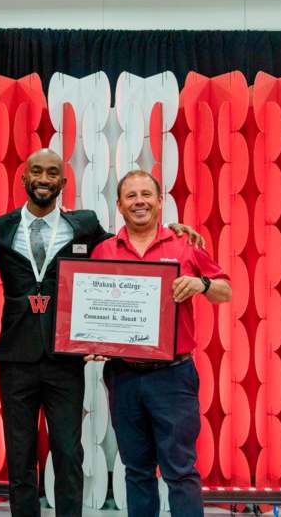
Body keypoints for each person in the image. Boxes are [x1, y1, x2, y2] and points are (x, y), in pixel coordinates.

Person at [0, 150, 204, 517]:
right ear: (24, 178)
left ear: (63, 182)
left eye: (53, 173)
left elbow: (131, 243)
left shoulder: (86, 225)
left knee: (70, 454)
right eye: (37, 172)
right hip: (16, 355)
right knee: (20, 454)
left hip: (65, 360)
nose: (44, 178)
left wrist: (173, 230)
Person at [87, 170, 231, 517]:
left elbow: (225, 289)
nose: (140, 201)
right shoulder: (104, 250)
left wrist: (201, 284)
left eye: (146, 194)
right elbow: (90, 307)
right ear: (119, 205)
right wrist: (88, 341)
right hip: (123, 377)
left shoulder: (186, 244)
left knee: (180, 471)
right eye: (131, 196)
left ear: (160, 200)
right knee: (136, 471)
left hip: (174, 377)